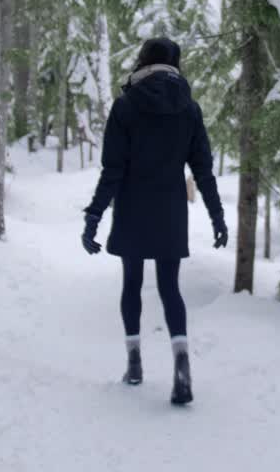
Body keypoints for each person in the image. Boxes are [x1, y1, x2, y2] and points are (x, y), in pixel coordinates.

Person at [81, 37, 229, 406]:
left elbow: (112, 170)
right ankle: (181, 362)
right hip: (170, 210)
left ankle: (134, 363)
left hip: (132, 207)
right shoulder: (189, 108)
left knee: (132, 284)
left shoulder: (126, 105)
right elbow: (203, 170)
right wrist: (217, 215)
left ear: (143, 61)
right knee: (169, 288)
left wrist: (94, 215)